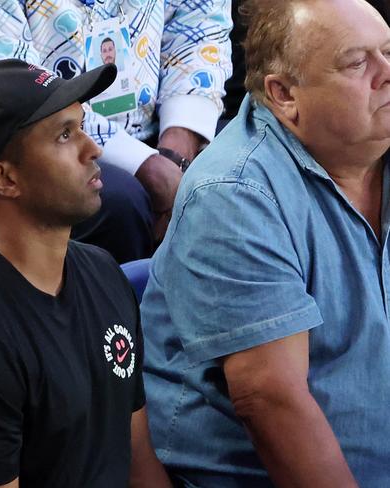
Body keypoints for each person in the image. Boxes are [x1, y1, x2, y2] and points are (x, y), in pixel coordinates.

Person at [141, 0, 390, 486]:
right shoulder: (234, 193)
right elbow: (272, 400)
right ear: (283, 94)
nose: (387, 72)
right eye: (357, 62)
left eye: (389, 51)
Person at [0, 60, 170, 488]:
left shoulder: (103, 271)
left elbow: (137, 458)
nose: (94, 149)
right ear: (5, 178)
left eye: (82, 127)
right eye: (65, 135)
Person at [0, 0, 232, 239]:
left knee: (236, 165)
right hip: (42, 146)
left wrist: (176, 149)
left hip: (164, 127)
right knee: (121, 200)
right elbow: (20, 95)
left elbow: (201, 25)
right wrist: (147, 166)